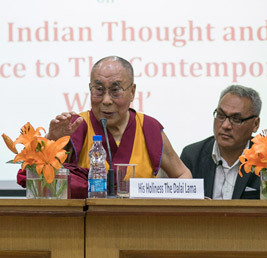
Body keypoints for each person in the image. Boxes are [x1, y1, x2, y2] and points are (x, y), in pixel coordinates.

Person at [46, 56, 191, 179]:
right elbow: (35, 172)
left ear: (132, 92)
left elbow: (183, 174)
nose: (107, 100)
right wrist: (51, 140)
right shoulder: (75, 126)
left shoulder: (148, 128)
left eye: (116, 90)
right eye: (99, 90)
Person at [180, 85, 262, 199]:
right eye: (220, 115)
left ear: (255, 124)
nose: (225, 125)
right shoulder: (192, 156)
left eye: (236, 119)